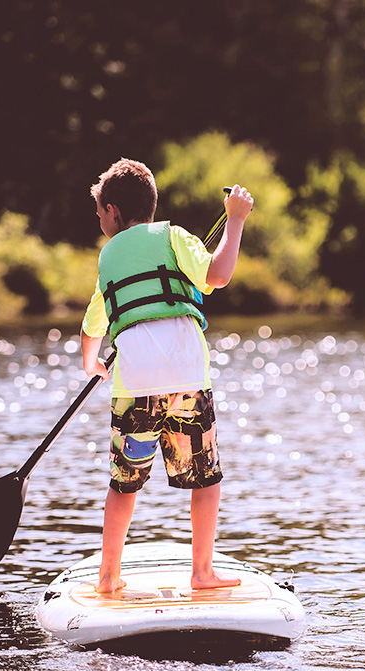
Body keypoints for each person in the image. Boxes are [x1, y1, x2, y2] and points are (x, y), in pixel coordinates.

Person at [80, 157, 253, 594]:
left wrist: (91, 363)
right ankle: (202, 573)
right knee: (206, 479)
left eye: (100, 211)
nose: (99, 219)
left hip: (135, 389)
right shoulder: (174, 237)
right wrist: (235, 222)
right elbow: (219, 273)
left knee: (124, 485)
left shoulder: (108, 258)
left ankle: (107, 578)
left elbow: (92, 325)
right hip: (188, 383)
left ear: (114, 211)